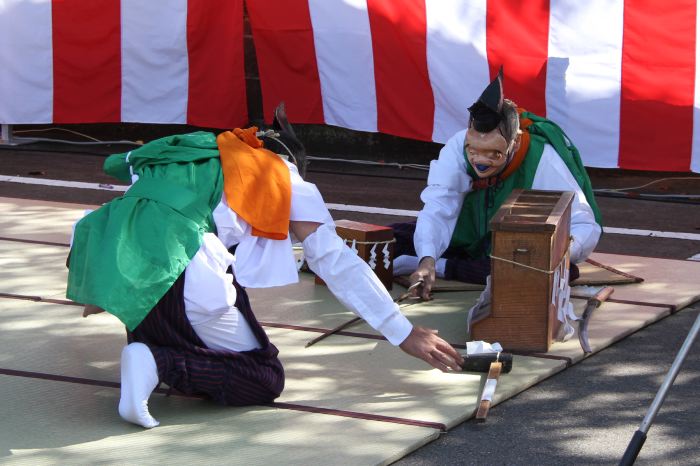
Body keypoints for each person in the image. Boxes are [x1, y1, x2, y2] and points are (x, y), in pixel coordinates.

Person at [67, 104, 463, 429]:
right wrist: (403, 331)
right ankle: (156, 359)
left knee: (220, 280)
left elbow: (145, 216)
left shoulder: (191, 148)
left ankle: (148, 348)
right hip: (182, 268)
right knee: (262, 376)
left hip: (109, 259)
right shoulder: (280, 175)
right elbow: (333, 260)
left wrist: (106, 289)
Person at [392, 69, 602, 300]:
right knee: (389, 237)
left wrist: (557, 251)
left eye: (494, 154)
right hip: (464, 238)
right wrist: (426, 259)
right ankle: (431, 261)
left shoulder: (543, 159)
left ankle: (445, 267)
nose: (481, 161)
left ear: (516, 142)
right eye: (473, 150)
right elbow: (438, 207)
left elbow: (584, 224)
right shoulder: (456, 147)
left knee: (547, 270)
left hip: (512, 248)